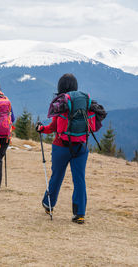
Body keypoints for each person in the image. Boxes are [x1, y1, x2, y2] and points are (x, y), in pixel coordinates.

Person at [36, 73, 105, 224]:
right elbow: (93, 126)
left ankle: (49, 204)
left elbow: (53, 127)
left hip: (61, 146)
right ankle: (80, 214)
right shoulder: (85, 102)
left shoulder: (62, 103)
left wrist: (42, 129)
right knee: (79, 179)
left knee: (57, 176)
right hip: (81, 147)